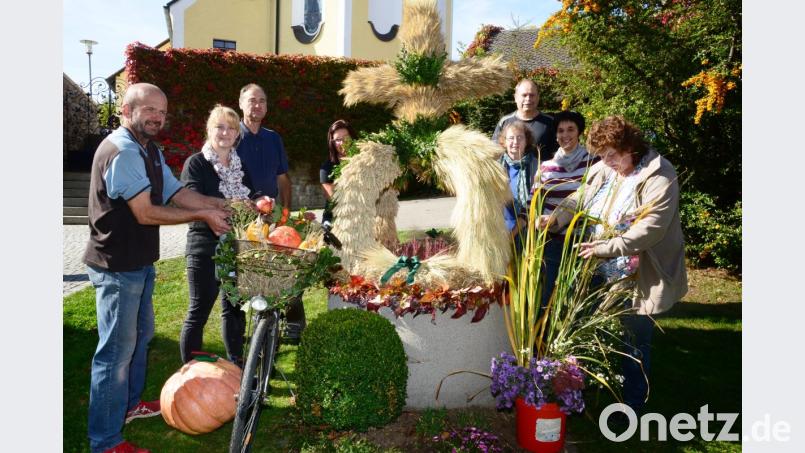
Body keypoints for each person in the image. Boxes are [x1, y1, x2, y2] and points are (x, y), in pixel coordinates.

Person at [83, 83, 231, 453]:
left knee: (141, 337)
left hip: (139, 264)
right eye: (149, 109)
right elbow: (146, 212)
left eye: (162, 111)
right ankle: (105, 440)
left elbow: (178, 193)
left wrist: (224, 204)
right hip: (116, 267)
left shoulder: (148, 150)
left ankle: (130, 406)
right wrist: (203, 215)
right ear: (126, 110)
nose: (157, 117)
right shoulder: (122, 152)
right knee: (115, 354)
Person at [544, 115, 688, 413]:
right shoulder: (604, 170)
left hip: (636, 271)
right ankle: (583, 389)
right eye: (601, 155)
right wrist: (555, 217)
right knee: (585, 325)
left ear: (630, 147)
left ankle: (633, 405)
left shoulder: (659, 174)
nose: (605, 161)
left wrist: (607, 247)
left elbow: (651, 228)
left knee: (633, 340)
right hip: (596, 264)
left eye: (611, 154)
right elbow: (579, 198)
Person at [179, 105, 254, 365]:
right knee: (199, 310)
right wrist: (231, 204)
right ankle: (189, 376)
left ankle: (238, 367)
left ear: (237, 135)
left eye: (231, 127)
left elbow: (251, 197)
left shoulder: (239, 165)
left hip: (236, 246)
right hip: (205, 246)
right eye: (219, 127)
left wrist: (260, 202)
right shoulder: (196, 163)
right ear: (209, 130)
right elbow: (191, 201)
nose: (225, 132)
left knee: (234, 309)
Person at [235, 83, 305, 341]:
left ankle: (294, 323)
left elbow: (283, 178)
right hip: (242, 217)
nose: (257, 105)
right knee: (246, 274)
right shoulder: (232, 137)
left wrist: (286, 211)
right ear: (241, 104)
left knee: (287, 267)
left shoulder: (273, 138)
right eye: (252, 100)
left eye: (262, 101)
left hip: (273, 215)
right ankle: (246, 331)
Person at [534, 110, 598, 308]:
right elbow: (534, 200)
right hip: (554, 240)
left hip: (585, 241)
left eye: (571, 129)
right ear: (556, 135)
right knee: (547, 294)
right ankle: (541, 336)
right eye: (561, 130)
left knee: (582, 295)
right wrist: (539, 219)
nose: (565, 135)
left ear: (579, 132)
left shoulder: (594, 163)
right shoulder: (545, 167)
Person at [492, 79, 558, 161]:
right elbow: (495, 152)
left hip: (542, 173)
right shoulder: (505, 122)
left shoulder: (550, 122)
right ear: (515, 97)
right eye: (524, 95)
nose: (528, 99)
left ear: (538, 97)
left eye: (532, 95)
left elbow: (558, 154)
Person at [498, 120, 539, 238]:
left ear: (526, 141)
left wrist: (512, 235)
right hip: (501, 231)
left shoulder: (536, 166)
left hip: (529, 232)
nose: (515, 142)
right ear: (504, 142)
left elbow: (535, 204)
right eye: (511, 138)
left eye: (520, 138)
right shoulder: (495, 167)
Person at [319, 119, 356, 223]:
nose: (342, 142)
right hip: (336, 219)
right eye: (338, 139)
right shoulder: (327, 168)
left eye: (346, 137)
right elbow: (333, 199)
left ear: (352, 138)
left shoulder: (365, 162)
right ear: (333, 143)